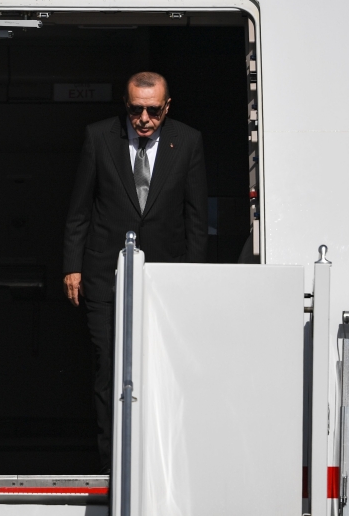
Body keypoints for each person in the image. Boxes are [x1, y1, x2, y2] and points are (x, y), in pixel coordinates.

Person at [62, 71, 207, 471]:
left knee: (163, 367)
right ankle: (114, 464)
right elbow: (79, 209)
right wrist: (72, 266)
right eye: (136, 109)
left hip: (165, 279)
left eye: (153, 110)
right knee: (108, 368)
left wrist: (193, 279)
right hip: (104, 276)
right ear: (125, 105)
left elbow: (196, 219)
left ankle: (160, 464)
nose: (144, 119)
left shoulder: (188, 141)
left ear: (167, 106)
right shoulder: (98, 137)